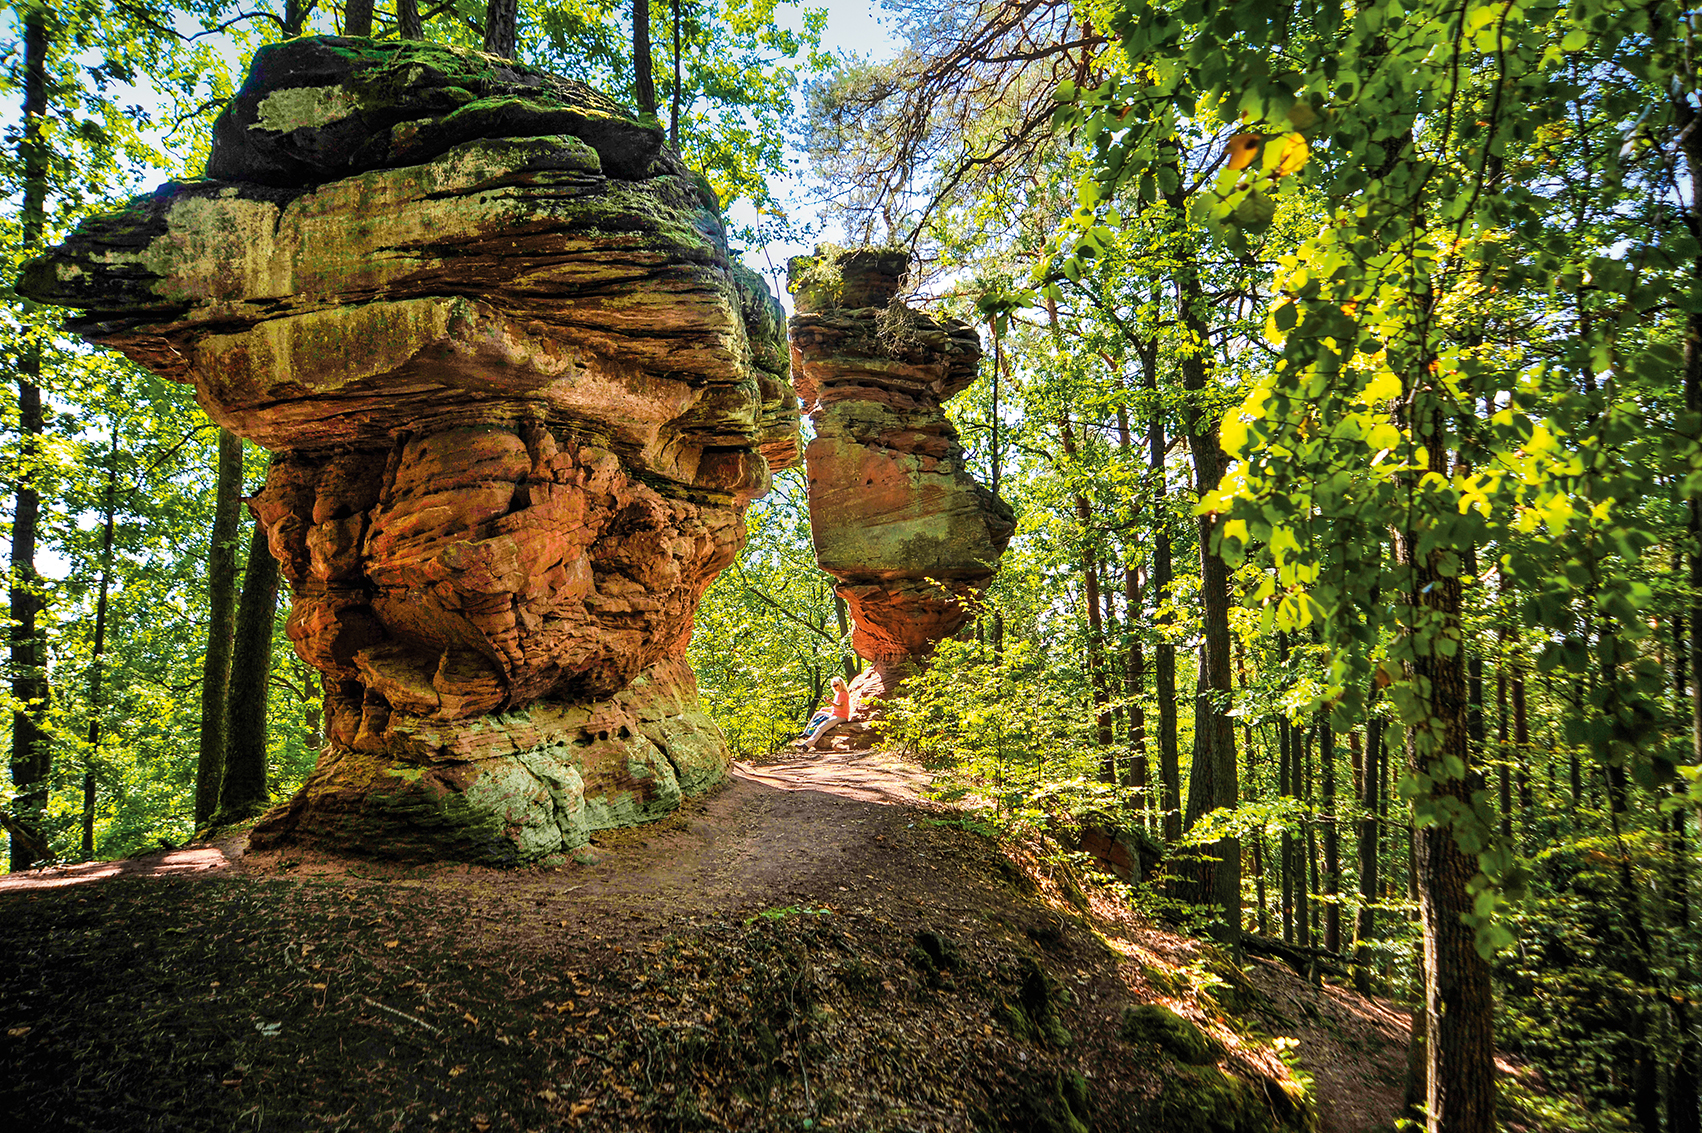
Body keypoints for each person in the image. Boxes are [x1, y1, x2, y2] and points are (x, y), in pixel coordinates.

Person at [796, 675, 855, 749]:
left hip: (841, 717)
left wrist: (830, 702)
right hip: (834, 714)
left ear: (840, 684)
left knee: (821, 727)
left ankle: (806, 745)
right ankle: (806, 733)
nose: (834, 687)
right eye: (833, 686)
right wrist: (826, 708)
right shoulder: (837, 694)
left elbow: (841, 707)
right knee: (817, 714)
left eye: (836, 685)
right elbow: (835, 707)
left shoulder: (843, 694)